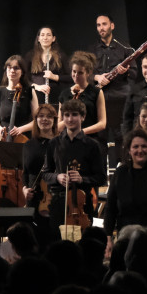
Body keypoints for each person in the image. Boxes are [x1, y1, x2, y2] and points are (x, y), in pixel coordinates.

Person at [41, 99, 106, 231]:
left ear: (83, 117)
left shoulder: (92, 145)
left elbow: (101, 177)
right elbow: (45, 174)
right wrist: (57, 177)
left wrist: (83, 179)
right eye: (67, 115)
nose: (70, 119)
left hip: (83, 203)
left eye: (75, 114)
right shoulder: (54, 143)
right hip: (59, 201)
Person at [22, 104, 60, 247]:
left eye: (49, 116)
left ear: (54, 121)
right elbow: (25, 172)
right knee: (35, 239)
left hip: (54, 196)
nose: (45, 119)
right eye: (41, 116)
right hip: (33, 197)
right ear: (36, 120)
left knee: (54, 238)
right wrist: (24, 189)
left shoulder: (60, 143)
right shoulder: (28, 145)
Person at [58, 51, 107, 140]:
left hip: (90, 139)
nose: (76, 75)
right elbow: (59, 126)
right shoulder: (64, 94)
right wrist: (69, 120)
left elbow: (102, 123)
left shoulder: (96, 92)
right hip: (68, 139)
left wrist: (82, 132)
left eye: (80, 73)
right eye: (74, 71)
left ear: (88, 73)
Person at [89, 14, 137, 100]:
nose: (101, 28)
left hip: (121, 95)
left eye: (104, 24)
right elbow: (84, 74)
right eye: (98, 25)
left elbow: (134, 73)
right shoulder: (92, 49)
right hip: (98, 94)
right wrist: (97, 77)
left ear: (112, 26)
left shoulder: (124, 47)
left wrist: (125, 71)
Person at [0, 55, 39, 139]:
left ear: (22, 72)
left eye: (16, 68)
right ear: (6, 70)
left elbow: (37, 120)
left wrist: (20, 129)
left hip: (23, 137)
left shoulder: (29, 91)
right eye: (9, 67)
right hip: (4, 137)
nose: (12, 71)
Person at [26, 26, 68, 104]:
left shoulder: (61, 55)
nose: (45, 37)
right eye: (42, 35)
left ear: (53, 38)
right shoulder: (30, 55)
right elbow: (24, 77)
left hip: (54, 97)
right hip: (35, 96)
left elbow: (71, 77)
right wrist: (36, 86)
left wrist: (55, 77)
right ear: (38, 38)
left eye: (48, 35)